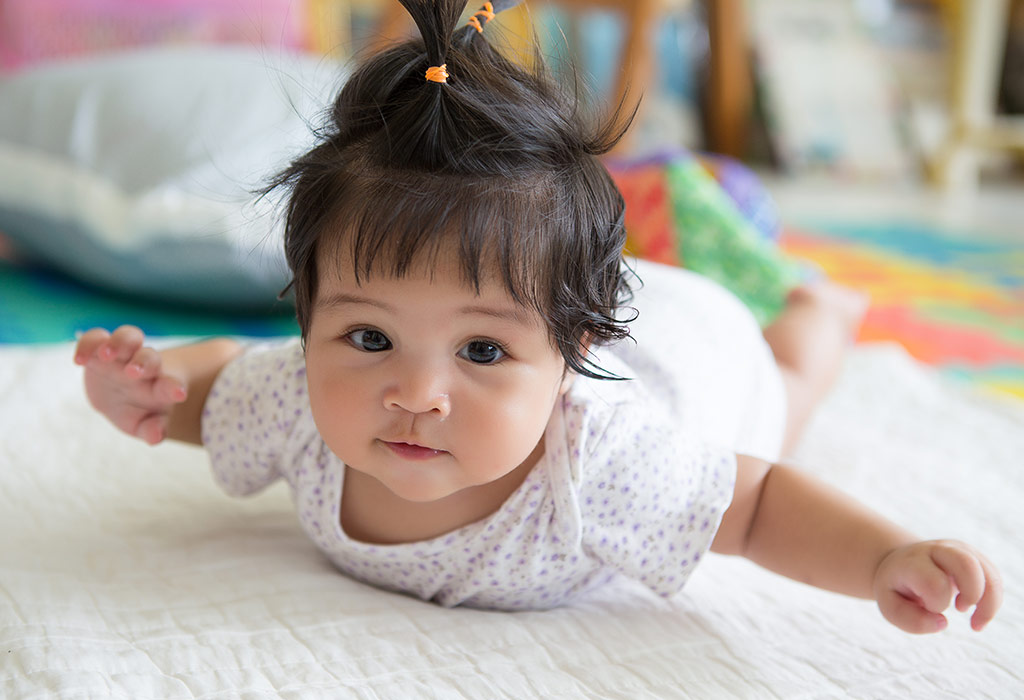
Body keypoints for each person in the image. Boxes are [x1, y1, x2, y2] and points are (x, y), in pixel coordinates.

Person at [74, 0, 1001, 632]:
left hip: (694, 355)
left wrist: (886, 558)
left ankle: (817, 306)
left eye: (480, 350)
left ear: (568, 356)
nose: (415, 394)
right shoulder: (296, 401)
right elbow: (216, 382)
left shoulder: (600, 461)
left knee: (787, 393)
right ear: (307, 318)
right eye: (368, 336)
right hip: (584, 305)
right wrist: (154, 387)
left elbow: (756, 507)